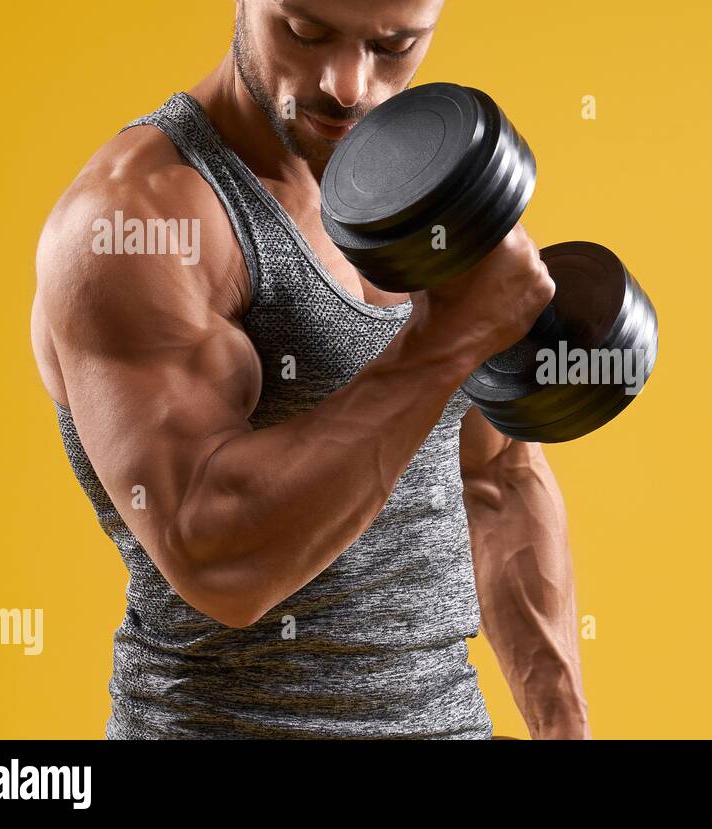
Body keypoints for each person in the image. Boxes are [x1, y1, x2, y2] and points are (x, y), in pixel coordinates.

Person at [30, 0, 590, 739]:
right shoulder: (138, 219)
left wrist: (564, 729)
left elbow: (501, 478)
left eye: (394, 45)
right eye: (305, 31)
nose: (348, 84)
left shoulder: (439, 191)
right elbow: (219, 561)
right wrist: (446, 340)